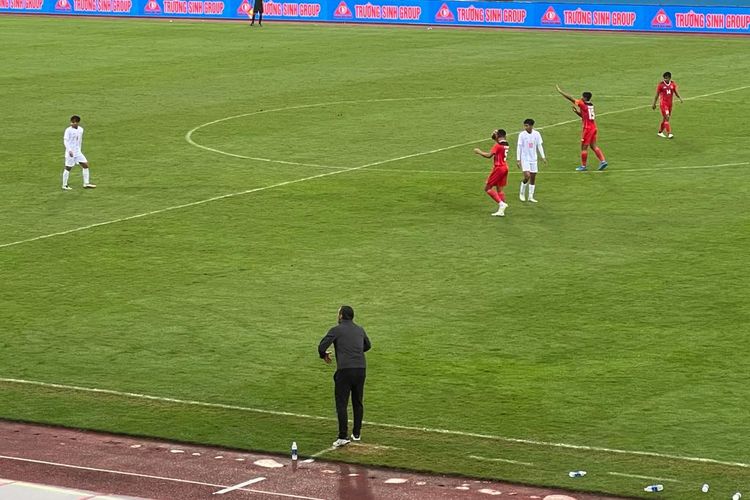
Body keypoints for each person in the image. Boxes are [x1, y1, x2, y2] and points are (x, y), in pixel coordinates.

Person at [318, 305, 371, 448]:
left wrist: (324, 355)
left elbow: (322, 346)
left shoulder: (336, 330)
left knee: (342, 403)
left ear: (341, 316)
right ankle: (357, 434)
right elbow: (368, 345)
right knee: (357, 401)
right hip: (361, 368)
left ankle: (343, 436)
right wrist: (356, 350)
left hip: (345, 370)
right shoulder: (360, 330)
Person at [556, 85, 608, 172]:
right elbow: (585, 117)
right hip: (594, 127)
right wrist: (577, 112)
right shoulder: (590, 105)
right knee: (593, 146)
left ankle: (583, 166)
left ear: (584, 97)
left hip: (587, 129)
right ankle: (603, 161)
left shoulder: (582, 104)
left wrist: (561, 92)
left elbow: (571, 99)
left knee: (584, 148)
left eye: (582, 96)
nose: (581, 98)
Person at [473, 128, 510, 216]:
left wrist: (479, 152)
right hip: (505, 167)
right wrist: (496, 135)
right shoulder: (506, 144)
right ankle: (501, 211)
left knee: (487, 188)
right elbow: (498, 140)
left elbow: (489, 155)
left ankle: (502, 204)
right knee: (499, 189)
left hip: (498, 168)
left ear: (498, 136)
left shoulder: (497, 146)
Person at [516, 119, 546, 203]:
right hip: (525, 158)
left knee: (533, 177)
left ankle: (530, 196)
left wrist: (543, 156)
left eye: (527, 125)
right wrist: (518, 160)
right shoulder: (521, 135)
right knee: (527, 176)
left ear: (531, 126)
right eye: (524, 125)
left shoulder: (537, 134)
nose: (525, 127)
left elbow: (539, 145)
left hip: (534, 158)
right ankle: (522, 192)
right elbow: (519, 147)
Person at [62, 115, 96, 190]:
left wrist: (79, 150)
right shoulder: (68, 130)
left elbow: (79, 141)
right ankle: (64, 185)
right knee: (68, 167)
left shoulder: (81, 130)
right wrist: (69, 150)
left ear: (77, 122)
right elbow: (65, 141)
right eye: (72, 122)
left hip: (78, 152)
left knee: (85, 165)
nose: (72, 124)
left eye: (74, 122)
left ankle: (86, 183)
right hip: (70, 153)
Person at [652, 71, 683, 139]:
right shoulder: (661, 85)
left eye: (667, 78)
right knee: (667, 117)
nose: (665, 79)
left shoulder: (672, 84)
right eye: (664, 78)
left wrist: (680, 98)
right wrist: (654, 104)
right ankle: (669, 133)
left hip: (670, 104)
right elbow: (657, 95)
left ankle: (660, 132)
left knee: (665, 119)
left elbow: (675, 92)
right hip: (663, 104)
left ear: (669, 78)